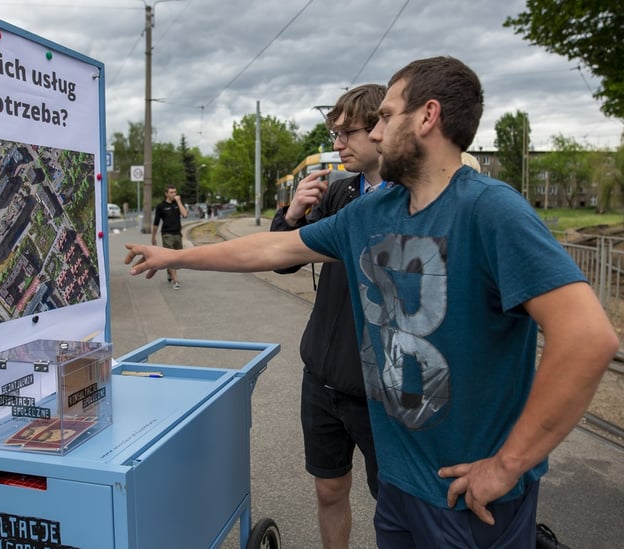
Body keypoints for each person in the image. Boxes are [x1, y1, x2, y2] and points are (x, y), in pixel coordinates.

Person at [125, 56, 618, 547]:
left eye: (385, 116)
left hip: (469, 497)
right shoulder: (371, 210)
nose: (375, 134)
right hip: (401, 484)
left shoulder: (491, 210)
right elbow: (275, 247)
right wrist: (176, 256)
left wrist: (510, 464)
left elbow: (587, 338)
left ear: (427, 117)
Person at [270, 84, 386, 548]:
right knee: (329, 487)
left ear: (383, 128)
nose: (337, 145)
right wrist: (293, 213)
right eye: (334, 132)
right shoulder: (340, 193)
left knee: (395, 502)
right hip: (322, 376)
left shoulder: (414, 198)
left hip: (382, 390)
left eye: (346, 133)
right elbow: (284, 260)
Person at [151, 185, 188, 290]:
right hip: (167, 234)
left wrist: (179, 202)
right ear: (166, 194)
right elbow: (156, 223)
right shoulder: (161, 206)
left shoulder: (178, 203)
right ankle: (176, 281)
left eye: (175, 192)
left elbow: (185, 214)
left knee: (178, 259)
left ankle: (169, 272)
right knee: (170, 258)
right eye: (171, 192)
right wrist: (153, 237)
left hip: (177, 234)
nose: (174, 194)